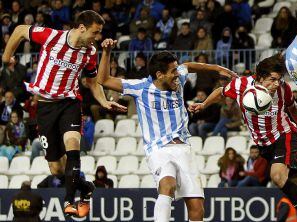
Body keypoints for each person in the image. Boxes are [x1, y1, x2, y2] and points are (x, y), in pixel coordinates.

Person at [2, 10, 126, 217]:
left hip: (69, 103)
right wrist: (7, 57)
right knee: (57, 169)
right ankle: (86, 187)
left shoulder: (90, 53)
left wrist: (104, 101)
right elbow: (20, 30)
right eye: (95, 33)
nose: (97, 38)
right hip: (45, 107)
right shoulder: (52, 36)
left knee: (73, 145)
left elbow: (91, 82)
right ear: (82, 28)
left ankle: (69, 201)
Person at [97, 38, 237, 221]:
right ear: (159, 74)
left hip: (184, 148)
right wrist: (107, 53)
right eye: (173, 72)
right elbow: (103, 79)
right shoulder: (141, 88)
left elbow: (188, 66)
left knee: (197, 208)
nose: (177, 75)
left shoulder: (178, 80)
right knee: (167, 184)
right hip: (158, 149)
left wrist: (218, 69)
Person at [189, 54, 297, 212]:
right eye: (273, 79)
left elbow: (293, 109)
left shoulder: (283, 88)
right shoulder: (241, 85)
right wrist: (203, 104)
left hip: (283, 134)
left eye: (279, 79)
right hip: (263, 144)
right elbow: (221, 91)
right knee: (291, 179)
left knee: (277, 176)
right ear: (260, 77)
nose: (277, 83)